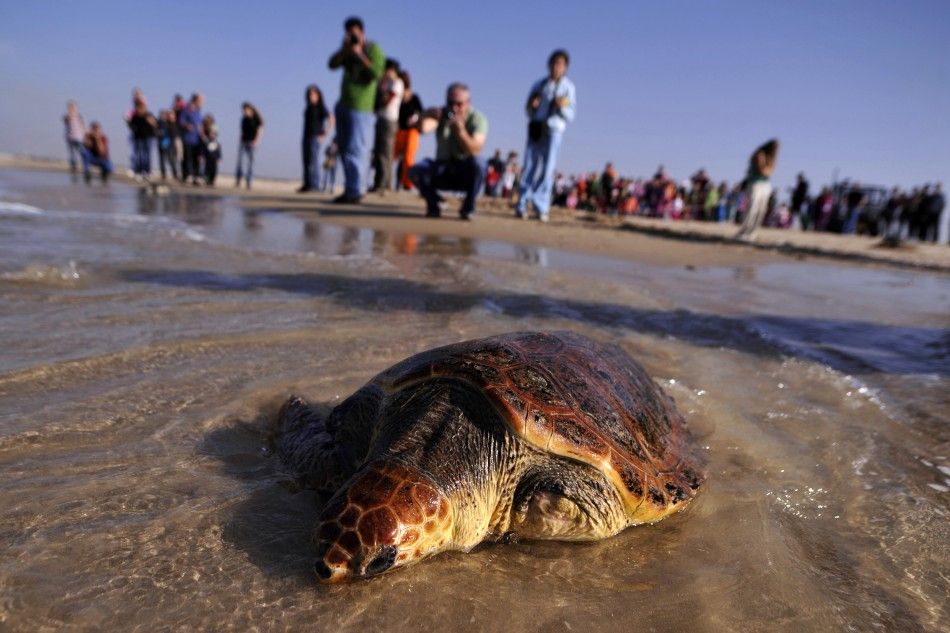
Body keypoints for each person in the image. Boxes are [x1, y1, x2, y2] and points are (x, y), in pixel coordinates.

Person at [409, 82, 488, 220]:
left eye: (459, 104)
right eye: (450, 103)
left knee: (480, 163)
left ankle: (468, 208)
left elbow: (476, 149)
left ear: (468, 103)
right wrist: (424, 115)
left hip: (464, 171)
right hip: (442, 169)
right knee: (417, 169)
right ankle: (434, 204)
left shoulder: (478, 119)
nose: (454, 108)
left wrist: (461, 132)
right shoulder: (442, 114)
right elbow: (423, 129)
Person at [328, 16, 385, 203]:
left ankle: (355, 191)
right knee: (344, 149)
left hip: (362, 107)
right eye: (348, 32)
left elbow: (377, 73)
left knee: (356, 148)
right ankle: (350, 188)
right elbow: (331, 65)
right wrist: (345, 50)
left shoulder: (373, 49)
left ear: (362, 32)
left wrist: (360, 54)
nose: (352, 35)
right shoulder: (346, 50)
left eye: (355, 32)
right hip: (343, 104)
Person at [515, 50, 576, 222]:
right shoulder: (539, 85)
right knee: (529, 166)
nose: (556, 67)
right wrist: (532, 106)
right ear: (548, 65)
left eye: (560, 64)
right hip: (536, 128)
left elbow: (571, 114)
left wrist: (561, 107)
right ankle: (522, 203)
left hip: (554, 130)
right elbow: (527, 110)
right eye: (553, 63)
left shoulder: (568, 88)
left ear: (565, 68)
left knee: (548, 169)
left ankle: (541, 205)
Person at [370, 58, 403, 193]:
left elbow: (388, 99)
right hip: (381, 119)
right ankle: (380, 182)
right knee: (378, 152)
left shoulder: (397, 83)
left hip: (389, 120)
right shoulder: (386, 82)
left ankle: (383, 184)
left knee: (385, 153)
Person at [736, 139, 779, 238]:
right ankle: (745, 231)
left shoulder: (770, 158)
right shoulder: (759, 154)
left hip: (765, 185)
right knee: (752, 208)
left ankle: (752, 232)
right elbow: (764, 171)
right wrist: (767, 167)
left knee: (761, 209)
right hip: (755, 184)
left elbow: (769, 171)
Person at [299, 85, 333, 193]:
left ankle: (315, 185)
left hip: (315, 136)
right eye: (310, 94)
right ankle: (307, 184)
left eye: (313, 94)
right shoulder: (308, 107)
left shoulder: (321, 107)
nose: (311, 96)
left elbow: (331, 119)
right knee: (306, 160)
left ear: (318, 95)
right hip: (306, 136)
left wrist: (325, 134)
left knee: (313, 160)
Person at [393, 70, 422, 190]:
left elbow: (420, 112)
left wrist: (414, 118)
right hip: (398, 130)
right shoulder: (396, 96)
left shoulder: (414, 97)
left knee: (408, 157)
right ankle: (387, 181)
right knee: (392, 156)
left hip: (411, 131)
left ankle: (407, 183)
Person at [232, 102, 263, 189]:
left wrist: (256, 141)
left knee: (251, 163)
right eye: (243, 110)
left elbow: (259, 130)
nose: (244, 112)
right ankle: (238, 180)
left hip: (252, 142)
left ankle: (249, 182)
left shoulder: (256, 119)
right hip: (243, 142)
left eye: (245, 110)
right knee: (240, 162)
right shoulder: (244, 119)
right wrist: (240, 140)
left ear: (250, 109)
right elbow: (242, 131)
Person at [126, 98, 157, 179]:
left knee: (147, 156)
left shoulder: (149, 114)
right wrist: (128, 121)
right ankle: (139, 171)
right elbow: (131, 127)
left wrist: (151, 122)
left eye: (142, 106)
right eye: (138, 107)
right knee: (139, 155)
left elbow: (156, 125)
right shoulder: (135, 116)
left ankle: (147, 171)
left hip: (148, 138)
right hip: (138, 138)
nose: (140, 108)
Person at [179, 93, 205, 184]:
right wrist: (186, 125)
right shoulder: (187, 109)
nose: (202, 102)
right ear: (195, 100)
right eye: (201, 100)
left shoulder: (198, 111)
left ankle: (196, 176)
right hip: (188, 138)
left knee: (196, 159)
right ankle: (187, 175)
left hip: (197, 139)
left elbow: (200, 123)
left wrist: (202, 132)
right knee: (187, 157)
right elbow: (181, 121)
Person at [63, 101, 86, 175]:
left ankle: (85, 166)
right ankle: (74, 168)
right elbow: (65, 121)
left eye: (73, 107)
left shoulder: (79, 116)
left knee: (82, 152)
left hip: (79, 138)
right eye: (70, 107)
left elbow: (83, 126)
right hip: (70, 138)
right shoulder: (67, 116)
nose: (72, 108)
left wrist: (84, 135)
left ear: (76, 108)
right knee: (72, 154)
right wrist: (70, 114)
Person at [156, 110, 178, 181]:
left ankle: (175, 174)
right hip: (162, 142)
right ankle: (163, 174)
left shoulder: (172, 123)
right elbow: (156, 131)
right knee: (162, 159)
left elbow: (174, 134)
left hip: (169, 143)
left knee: (171, 159)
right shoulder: (160, 122)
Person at [202, 114, 221, 186]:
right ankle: (207, 180)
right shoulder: (207, 142)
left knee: (214, 171)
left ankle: (212, 181)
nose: (212, 135)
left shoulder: (217, 144)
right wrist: (202, 156)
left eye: (214, 134)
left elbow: (219, 152)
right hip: (208, 160)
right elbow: (204, 150)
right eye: (211, 134)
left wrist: (219, 158)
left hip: (214, 160)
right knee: (207, 170)